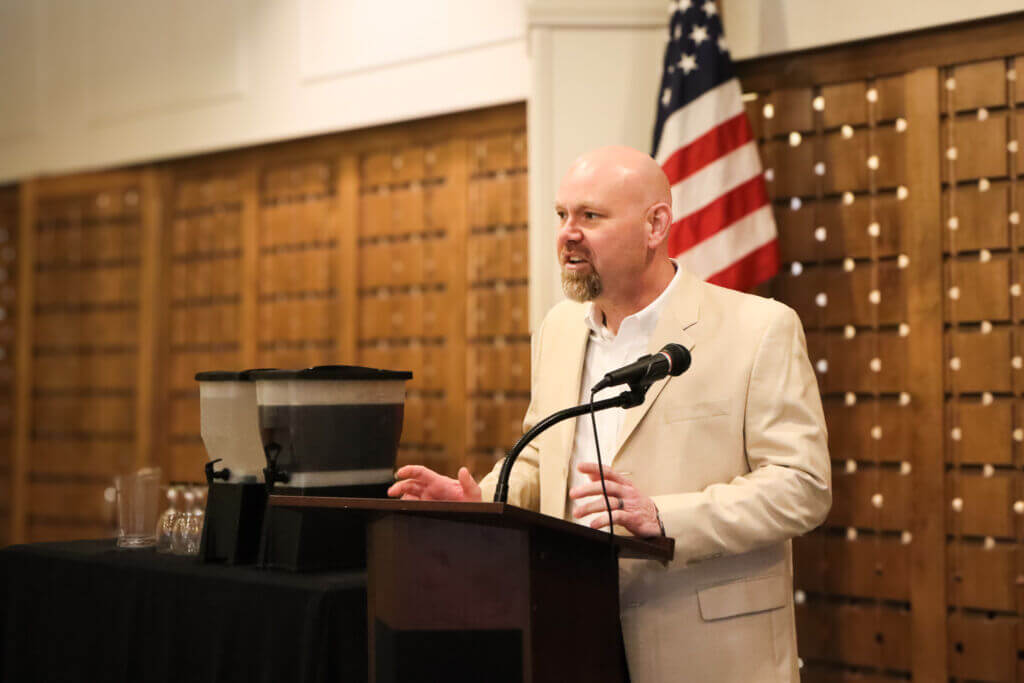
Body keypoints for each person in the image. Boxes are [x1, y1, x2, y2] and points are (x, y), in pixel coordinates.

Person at [388, 145, 831, 682]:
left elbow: (802, 486)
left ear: (655, 225)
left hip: (706, 649)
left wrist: (664, 517)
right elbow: (544, 457)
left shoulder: (757, 328)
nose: (567, 234)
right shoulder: (558, 329)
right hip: (572, 633)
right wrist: (486, 499)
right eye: (561, 215)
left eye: (591, 216)